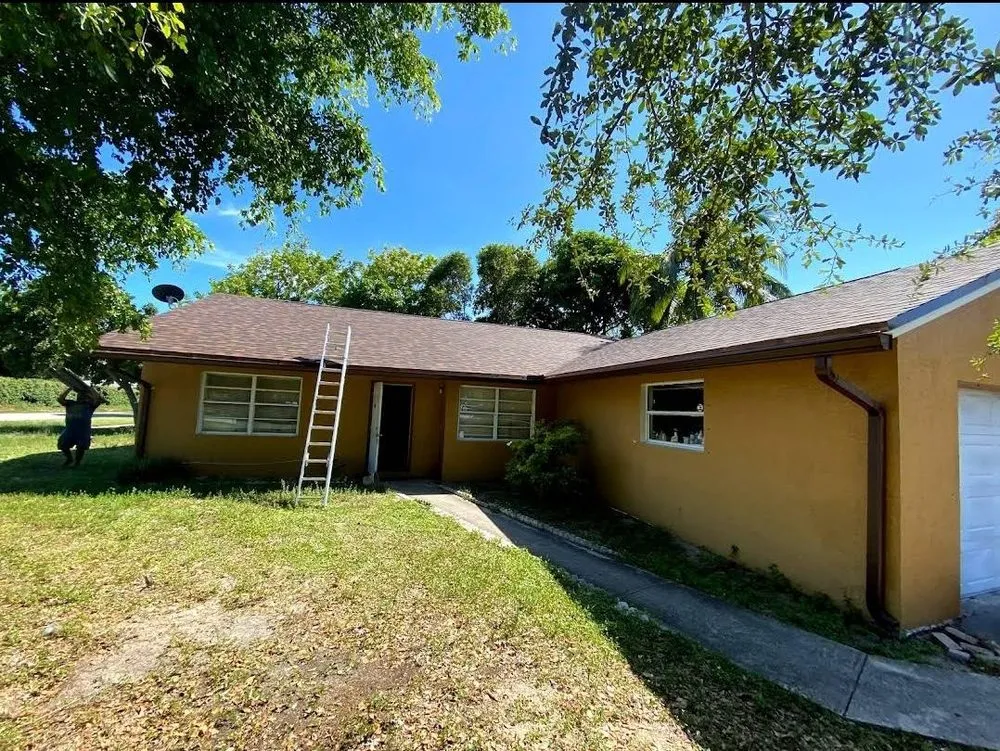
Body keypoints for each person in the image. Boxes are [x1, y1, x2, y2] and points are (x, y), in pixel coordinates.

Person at [56, 387, 103, 467]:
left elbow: (99, 399)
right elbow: (60, 399)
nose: (82, 397)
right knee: (62, 444)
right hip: (70, 429)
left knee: (81, 447)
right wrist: (69, 389)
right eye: (81, 395)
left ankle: (77, 463)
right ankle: (69, 459)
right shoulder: (70, 403)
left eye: (85, 396)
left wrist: (92, 390)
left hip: (83, 431)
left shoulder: (90, 406)